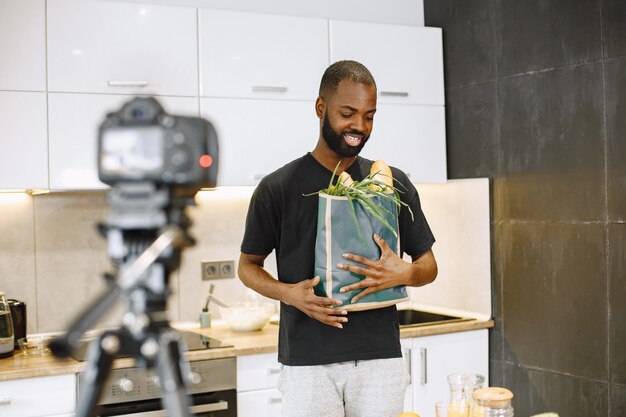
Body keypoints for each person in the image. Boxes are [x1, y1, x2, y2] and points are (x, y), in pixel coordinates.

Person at [238, 60, 438, 417]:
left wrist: (405, 273)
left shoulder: (393, 183)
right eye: (348, 113)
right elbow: (247, 267)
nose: (359, 126)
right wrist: (288, 294)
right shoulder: (278, 188)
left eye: (369, 116)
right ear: (321, 108)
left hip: (380, 361)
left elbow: (428, 265)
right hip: (307, 362)